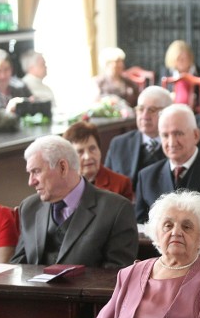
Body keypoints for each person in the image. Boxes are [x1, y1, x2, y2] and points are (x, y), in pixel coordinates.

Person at [91, 190, 200, 318]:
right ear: (156, 233)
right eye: (168, 225)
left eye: (187, 227)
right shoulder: (129, 274)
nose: (176, 232)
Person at [11, 135, 139, 268]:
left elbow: (117, 277)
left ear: (62, 167)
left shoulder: (116, 210)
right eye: (30, 173)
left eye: (36, 172)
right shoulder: (29, 207)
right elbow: (18, 267)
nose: (31, 182)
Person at [104, 86, 171, 189]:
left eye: (152, 110)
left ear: (168, 112)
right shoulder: (119, 144)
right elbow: (106, 185)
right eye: (140, 109)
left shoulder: (177, 145)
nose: (144, 116)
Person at [63, 121, 134, 201]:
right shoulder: (62, 185)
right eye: (80, 152)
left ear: (100, 150)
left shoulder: (121, 184)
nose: (88, 156)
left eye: (92, 149)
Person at [158, 40, 200, 110]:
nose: (182, 62)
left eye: (185, 58)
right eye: (179, 59)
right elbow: (160, 94)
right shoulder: (166, 73)